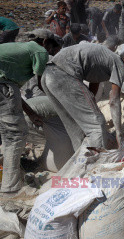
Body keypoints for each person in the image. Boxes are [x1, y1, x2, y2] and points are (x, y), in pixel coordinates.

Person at [41, 43, 124, 151]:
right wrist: (119, 135)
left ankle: (81, 161)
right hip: (64, 75)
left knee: (75, 127)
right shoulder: (119, 63)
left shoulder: (105, 59)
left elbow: (93, 85)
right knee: (97, 123)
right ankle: (96, 163)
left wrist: (90, 106)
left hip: (48, 75)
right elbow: (114, 101)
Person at [0, 32, 60, 194]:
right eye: (54, 51)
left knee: (7, 135)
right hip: (3, 87)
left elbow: (14, 92)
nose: (52, 56)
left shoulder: (19, 52)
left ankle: (11, 174)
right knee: (15, 137)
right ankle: (10, 188)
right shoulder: (39, 51)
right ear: (47, 42)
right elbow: (42, 85)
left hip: (4, 87)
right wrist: (58, 99)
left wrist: (31, 113)